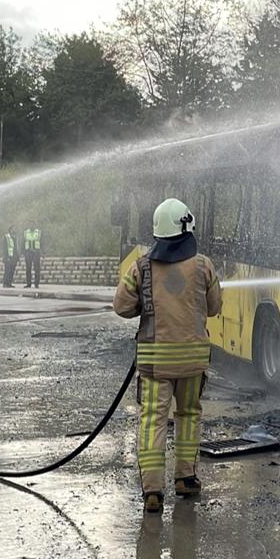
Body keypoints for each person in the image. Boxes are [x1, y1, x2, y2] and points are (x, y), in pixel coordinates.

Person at [113, 198, 222, 514]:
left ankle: (153, 492)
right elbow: (215, 307)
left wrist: (143, 306)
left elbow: (121, 305)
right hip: (192, 363)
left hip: (155, 364)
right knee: (189, 414)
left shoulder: (142, 266)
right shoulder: (203, 265)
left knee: (152, 420)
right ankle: (186, 479)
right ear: (187, 227)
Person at [23, 222, 42, 288]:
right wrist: (23, 253)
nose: (31, 226)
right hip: (28, 252)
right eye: (30, 224)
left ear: (35, 225)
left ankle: (36, 283)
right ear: (28, 225)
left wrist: (42, 252)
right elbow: (23, 242)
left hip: (36, 252)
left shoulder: (38, 232)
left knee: (37, 268)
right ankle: (28, 284)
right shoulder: (25, 232)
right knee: (28, 269)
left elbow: (42, 242)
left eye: (33, 224)